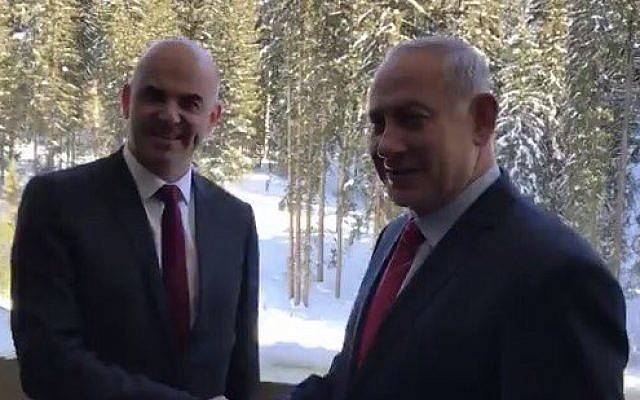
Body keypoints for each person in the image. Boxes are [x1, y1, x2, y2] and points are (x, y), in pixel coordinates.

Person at [290, 35, 628, 400]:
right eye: (378, 124)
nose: (386, 144)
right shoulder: (396, 238)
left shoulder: (557, 277)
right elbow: (352, 386)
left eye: (412, 119)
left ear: (482, 121)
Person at [11, 39, 259, 400]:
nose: (170, 115)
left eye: (190, 103)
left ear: (213, 118)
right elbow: (47, 364)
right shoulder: (57, 204)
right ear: (126, 101)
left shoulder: (235, 221)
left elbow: (242, 368)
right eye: (155, 96)